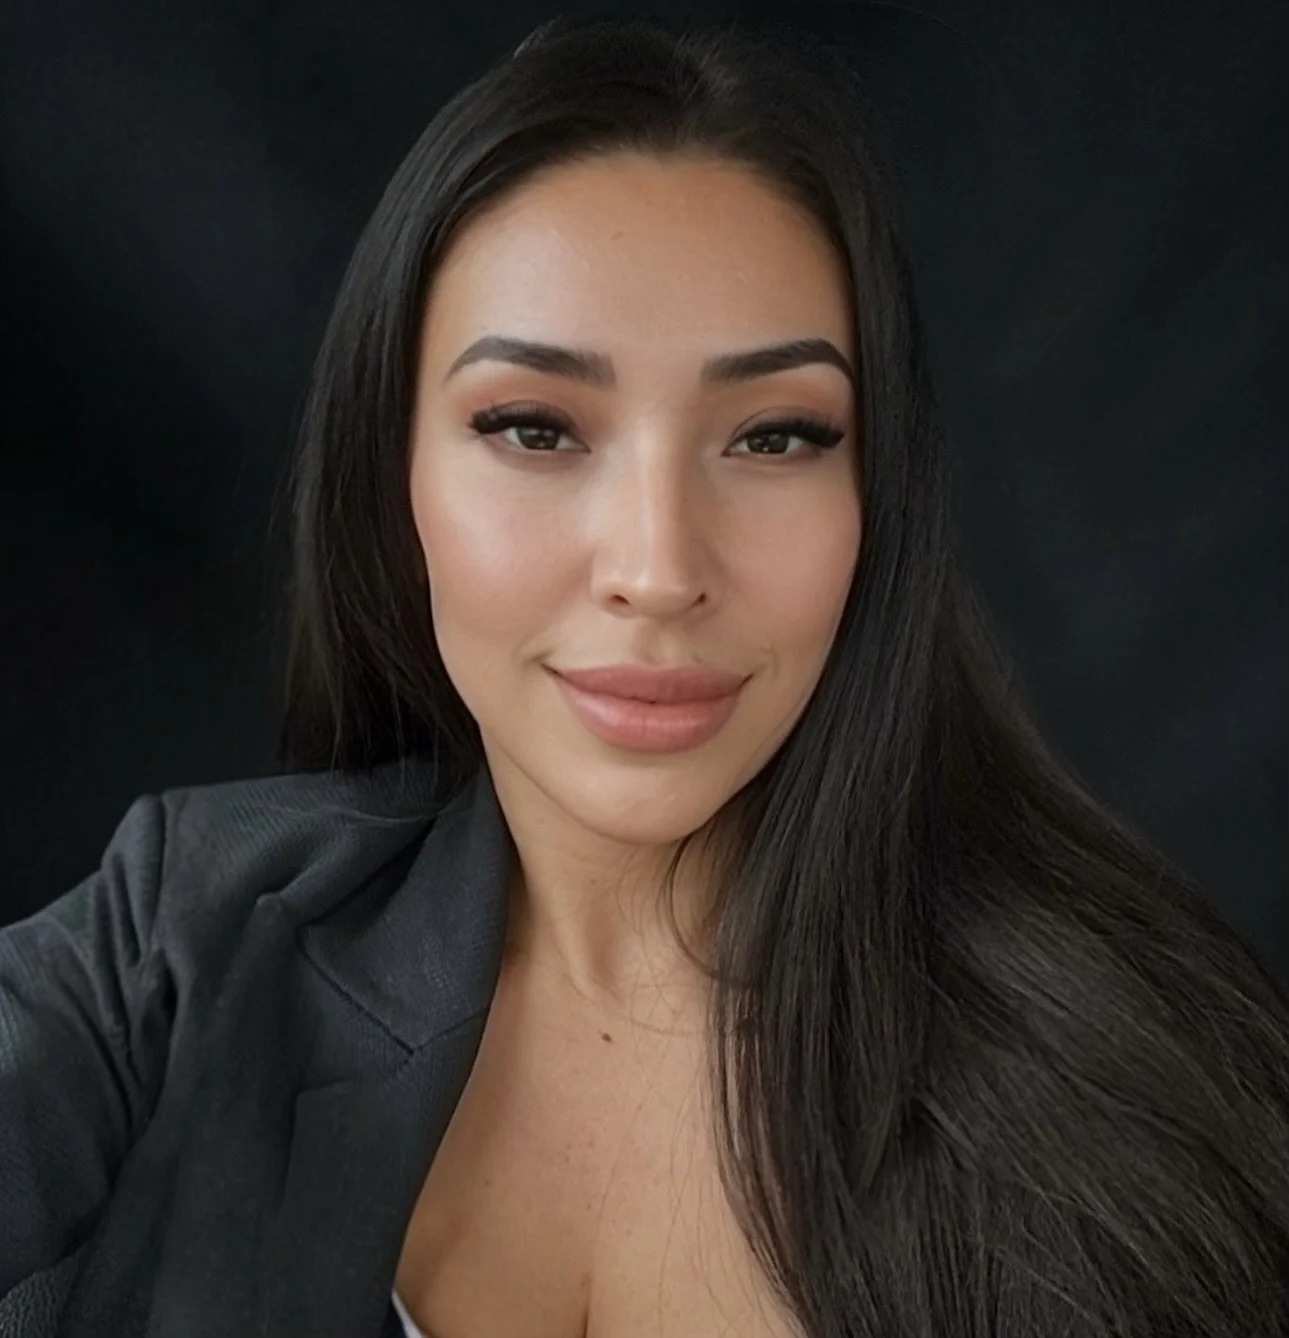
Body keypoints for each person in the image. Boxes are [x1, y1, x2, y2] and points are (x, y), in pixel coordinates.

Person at [2, 13, 1286, 1338]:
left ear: (880, 498)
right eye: (536, 427)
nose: (660, 568)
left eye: (774, 437)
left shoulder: (1143, 1071)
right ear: (395, 478)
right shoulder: (177, 946)